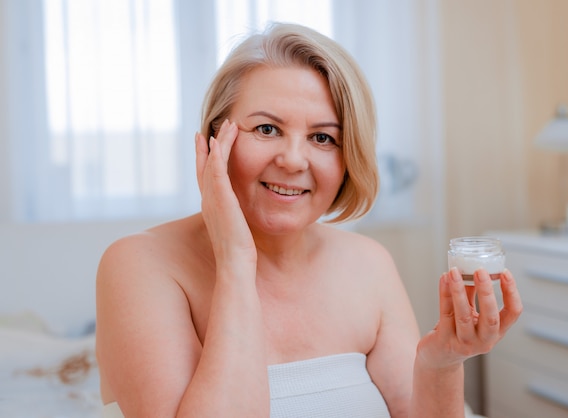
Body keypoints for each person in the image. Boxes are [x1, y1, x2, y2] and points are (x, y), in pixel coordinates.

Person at [95, 22, 522, 418]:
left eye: (322, 138)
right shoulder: (139, 265)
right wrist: (236, 262)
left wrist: (442, 362)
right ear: (215, 139)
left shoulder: (368, 263)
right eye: (266, 129)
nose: (294, 160)